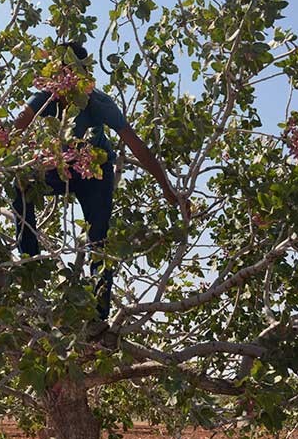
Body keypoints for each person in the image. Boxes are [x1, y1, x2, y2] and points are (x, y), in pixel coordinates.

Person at [11, 42, 186, 317]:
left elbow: (137, 146)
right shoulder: (45, 98)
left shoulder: (98, 102)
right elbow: (14, 131)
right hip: (59, 167)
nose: (66, 80)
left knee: (98, 238)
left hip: (95, 171)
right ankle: (28, 265)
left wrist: (167, 189)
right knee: (19, 185)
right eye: (61, 73)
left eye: (73, 73)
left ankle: (98, 315)